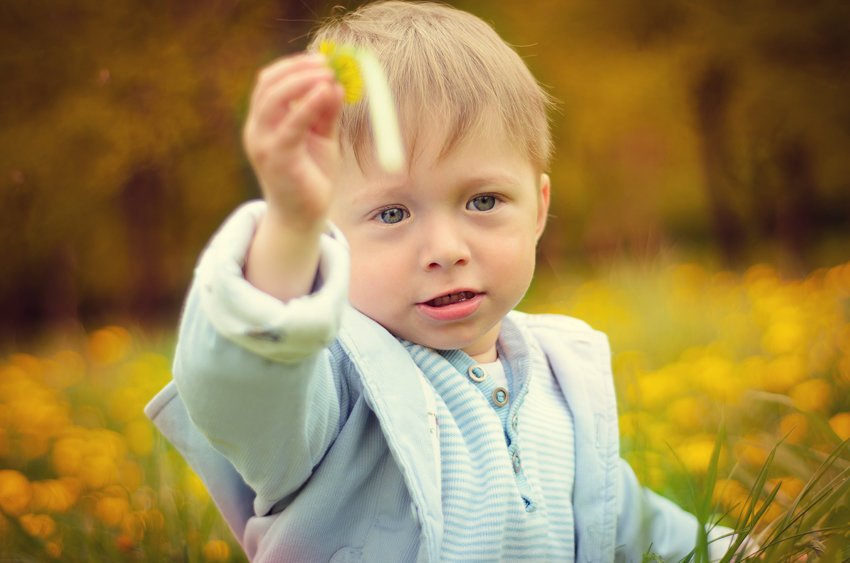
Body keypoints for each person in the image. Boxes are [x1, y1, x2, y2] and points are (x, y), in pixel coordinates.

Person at [145, 1, 734, 561]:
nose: (447, 251)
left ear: (538, 209)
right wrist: (287, 230)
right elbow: (246, 389)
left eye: (483, 200)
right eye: (392, 214)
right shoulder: (331, 386)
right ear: (324, 232)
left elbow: (621, 519)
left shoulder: (562, 381)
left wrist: (739, 548)